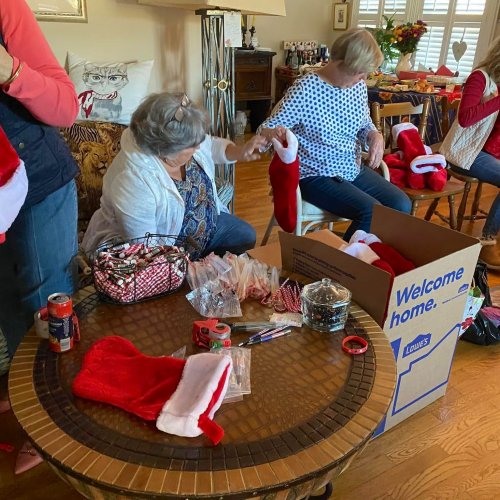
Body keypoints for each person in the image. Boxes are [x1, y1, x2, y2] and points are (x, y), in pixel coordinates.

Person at [258, 28, 411, 241]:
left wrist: (374, 135)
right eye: (360, 73)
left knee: (401, 204)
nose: (363, 79)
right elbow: (266, 129)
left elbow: (364, 123)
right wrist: (274, 133)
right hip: (316, 174)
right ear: (342, 65)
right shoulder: (306, 89)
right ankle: (343, 267)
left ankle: (374, 256)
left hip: (351, 167)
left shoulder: (357, 86)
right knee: (370, 211)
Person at [82, 92, 267, 259]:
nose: (198, 147)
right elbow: (147, 250)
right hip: (163, 249)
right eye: (193, 145)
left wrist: (240, 151)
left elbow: (210, 146)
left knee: (245, 235)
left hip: (203, 231)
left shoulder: (183, 141)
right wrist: (194, 271)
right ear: (164, 149)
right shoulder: (132, 181)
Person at [0, 0, 79, 359]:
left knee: (47, 323)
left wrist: (9, 70)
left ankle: (54, 408)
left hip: (37, 185)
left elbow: (66, 109)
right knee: (9, 311)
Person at [448, 37, 500, 269]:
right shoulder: (480, 78)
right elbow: (466, 118)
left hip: (487, 151)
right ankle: (488, 242)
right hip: (465, 153)